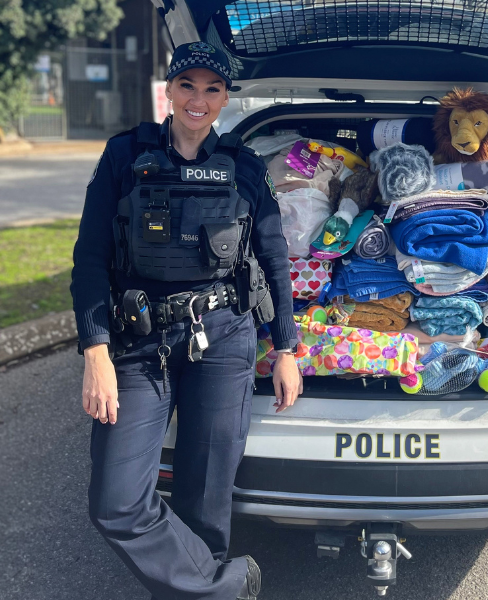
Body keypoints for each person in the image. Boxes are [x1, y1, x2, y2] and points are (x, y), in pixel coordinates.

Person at [71, 41, 301, 599]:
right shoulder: (125, 156)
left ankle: (197, 589)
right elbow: (90, 257)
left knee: (205, 494)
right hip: (137, 342)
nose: (198, 99)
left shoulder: (245, 170)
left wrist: (286, 348)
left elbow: (273, 260)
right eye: (187, 86)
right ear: (169, 91)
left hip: (222, 338)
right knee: (116, 501)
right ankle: (226, 588)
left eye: (212, 88)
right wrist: (94, 351)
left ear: (225, 97)